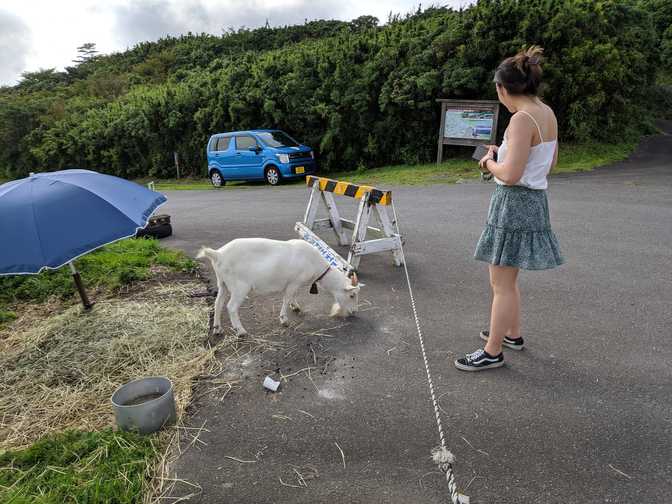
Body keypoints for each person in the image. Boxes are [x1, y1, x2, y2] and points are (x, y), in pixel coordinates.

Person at [455, 46, 564, 372]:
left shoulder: (520, 119)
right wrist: (504, 152)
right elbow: (549, 162)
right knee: (509, 279)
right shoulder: (546, 112)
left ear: (503, 89)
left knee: (501, 284)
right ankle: (512, 334)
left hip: (513, 204)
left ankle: (492, 351)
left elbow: (512, 175)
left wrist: (490, 161)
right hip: (534, 203)